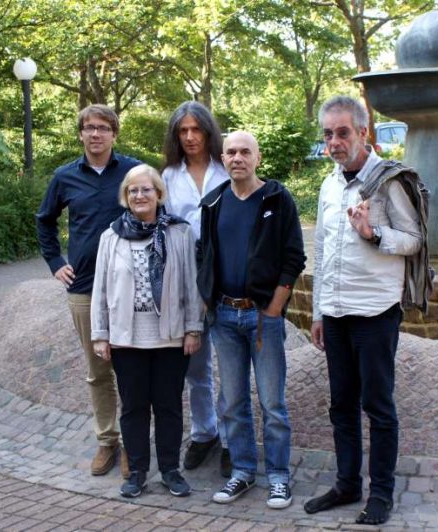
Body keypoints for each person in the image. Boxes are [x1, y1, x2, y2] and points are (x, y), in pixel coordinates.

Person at [304, 96, 430, 525]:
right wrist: (319, 311)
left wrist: (373, 233)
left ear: (363, 133)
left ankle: (381, 494)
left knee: (378, 406)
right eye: (328, 134)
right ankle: (346, 484)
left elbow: (413, 241)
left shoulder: (389, 182)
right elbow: (321, 251)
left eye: (342, 132)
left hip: (375, 312)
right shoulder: (329, 184)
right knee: (341, 404)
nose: (334, 142)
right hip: (336, 314)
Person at [197, 131, 306, 510]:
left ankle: (278, 477)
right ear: (223, 159)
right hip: (223, 316)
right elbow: (204, 254)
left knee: (273, 403)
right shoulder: (213, 202)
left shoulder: (277, 199)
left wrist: (274, 307)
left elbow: (294, 257)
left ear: (257, 158)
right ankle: (242, 472)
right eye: (231, 152)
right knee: (232, 403)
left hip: (263, 318)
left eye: (245, 152)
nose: (237, 158)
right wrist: (206, 299)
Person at [36, 104, 141, 478]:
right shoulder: (65, 177)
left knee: (129, 368)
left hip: (129, 286)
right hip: (83, 287)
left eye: (103, 128)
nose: (96, 134)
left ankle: (134, 444)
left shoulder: (133, 170)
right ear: (80, 134)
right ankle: (107, 441)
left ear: (114, 133)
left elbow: (156, 210)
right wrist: (54, 262)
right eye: (89, 128)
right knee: (98, 370)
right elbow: (44, 221)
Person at [90, 164, 204, 498]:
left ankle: (170, 469)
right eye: (133, 190)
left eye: (147, 189)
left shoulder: (179, 233)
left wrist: (193, 328)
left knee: (168, 405)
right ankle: (137, 470)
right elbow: (100, 290)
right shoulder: (110, 237)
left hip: (170, 336)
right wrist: (101, 334)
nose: (140, 195)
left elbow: (191, 286)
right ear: (126, 197)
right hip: (126, 338)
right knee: (134, 407)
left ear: (159, 194)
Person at [161, 101, 231, 477]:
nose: (189, 137)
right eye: (182, 131)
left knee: (232, 363)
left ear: (208, 131)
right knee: (195, 365)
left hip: (227, 275)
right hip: (187, 277)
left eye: (196, 130)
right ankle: (205, 432)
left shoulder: (227, 167)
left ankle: (233, 437)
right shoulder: (169, 176)